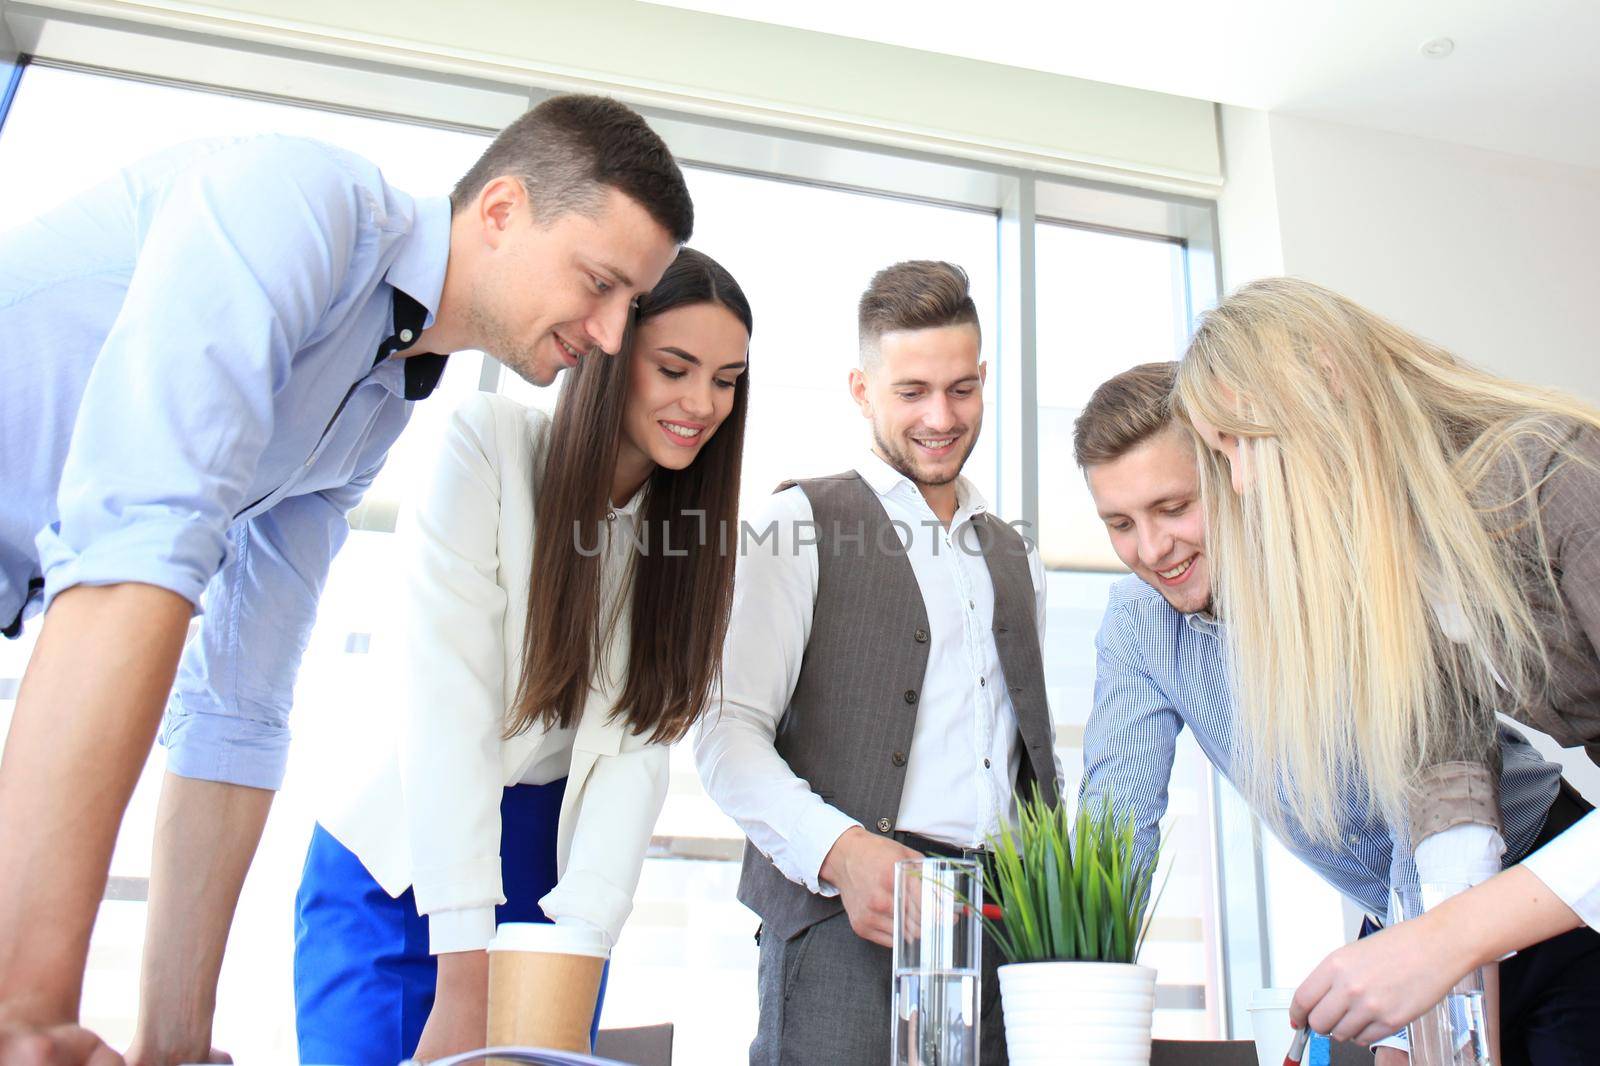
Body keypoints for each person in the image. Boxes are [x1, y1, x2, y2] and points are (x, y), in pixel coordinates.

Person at [0, 93, 692, 1066]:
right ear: (499, 210)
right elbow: (135, 552)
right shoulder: (294, 205)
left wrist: (177, 1046)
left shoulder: (370, 405)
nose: (614, 335)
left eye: (633, 303)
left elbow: (234, 706)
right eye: (600, 282)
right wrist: (25, 1012)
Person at [293, 248, 750, 1065]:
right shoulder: (489, 446)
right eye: (675, 367)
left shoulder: (690, 544)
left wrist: (579, 945)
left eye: (725, 380)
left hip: (553, 872)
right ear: (613, 350)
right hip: (405, 858)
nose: (701, 402)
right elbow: (450, 711)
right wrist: (468, 984)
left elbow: (634, 759)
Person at [1073, 360, 1594, 1063]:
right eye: (1120, 524)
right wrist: (1079, 994)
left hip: (1540, 881)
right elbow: (1116, 824)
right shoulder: (1137, 626)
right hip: (1406, 919)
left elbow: (1431, 782)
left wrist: (1418, 1022)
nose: (1152, 549)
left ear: (1231, 475)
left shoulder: (1338, 567)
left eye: (1173, 508)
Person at [694, 260, 1058, 1066]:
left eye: (962, 389)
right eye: (912, 391)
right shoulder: (798, 523)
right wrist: (840, 851)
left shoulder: (1016, 554)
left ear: (984, 379)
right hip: (843, 921)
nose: (940, 415)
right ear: (861, 389)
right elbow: (726, 735)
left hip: (1002, 930)